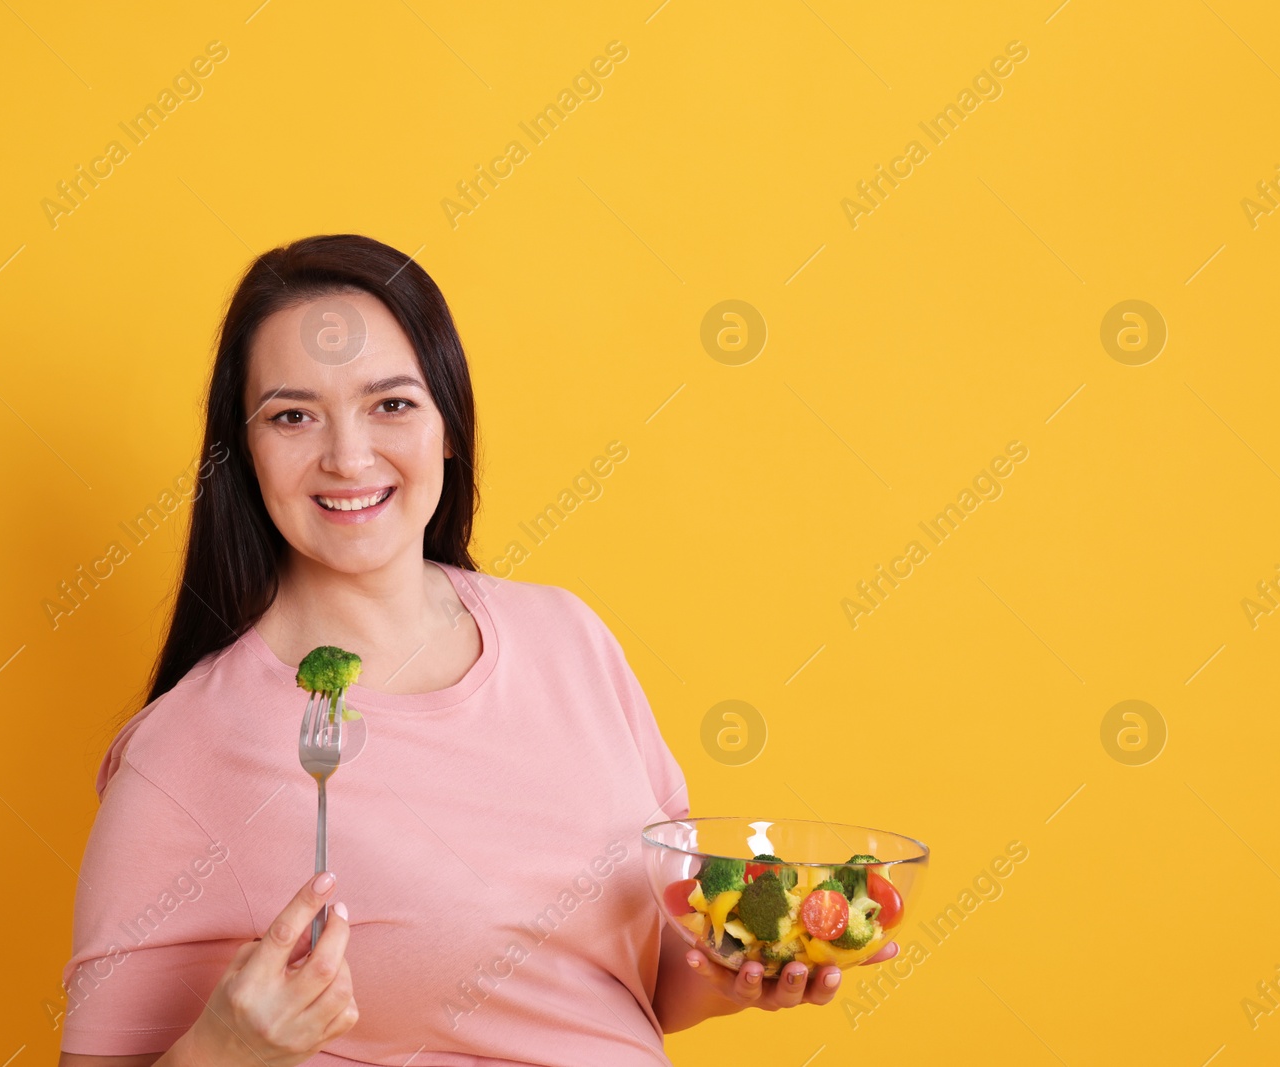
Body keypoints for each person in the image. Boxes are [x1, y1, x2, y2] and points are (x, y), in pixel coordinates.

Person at [56, 234, 897, 1066]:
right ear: (244, 454)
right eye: (293, 414)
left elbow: (639, 984)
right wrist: (222, 1052)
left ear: (449, 427)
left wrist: (738, 975)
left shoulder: (569, 640)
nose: (349, 456)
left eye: (391, 404)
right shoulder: (187, 753)